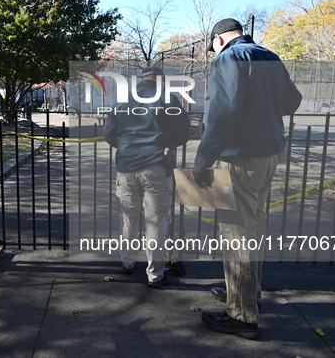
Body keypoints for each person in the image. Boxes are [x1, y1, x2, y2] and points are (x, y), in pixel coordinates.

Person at [192, 18, 302, 339]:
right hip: (268, 155)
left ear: (219, 39)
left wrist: (203, 161)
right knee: (255, 226)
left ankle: (241, 315)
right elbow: (292, 101)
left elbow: (223, 115)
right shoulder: (269, 56)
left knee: (236, 232)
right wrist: (262, 109)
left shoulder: (227, 58)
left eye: (211, 44)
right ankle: (249, 294)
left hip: (240, 159)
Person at [103, 66, 190, 288]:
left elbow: (109, 134)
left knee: (128, 218)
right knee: (156, 221)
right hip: (156, 166)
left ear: (141, 81)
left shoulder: (122, 100)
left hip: (126, 166)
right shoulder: (168, 99)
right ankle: (155, 274)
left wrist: (127, 147)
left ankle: (128, 262)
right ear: (161, 81)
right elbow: (182, 134)